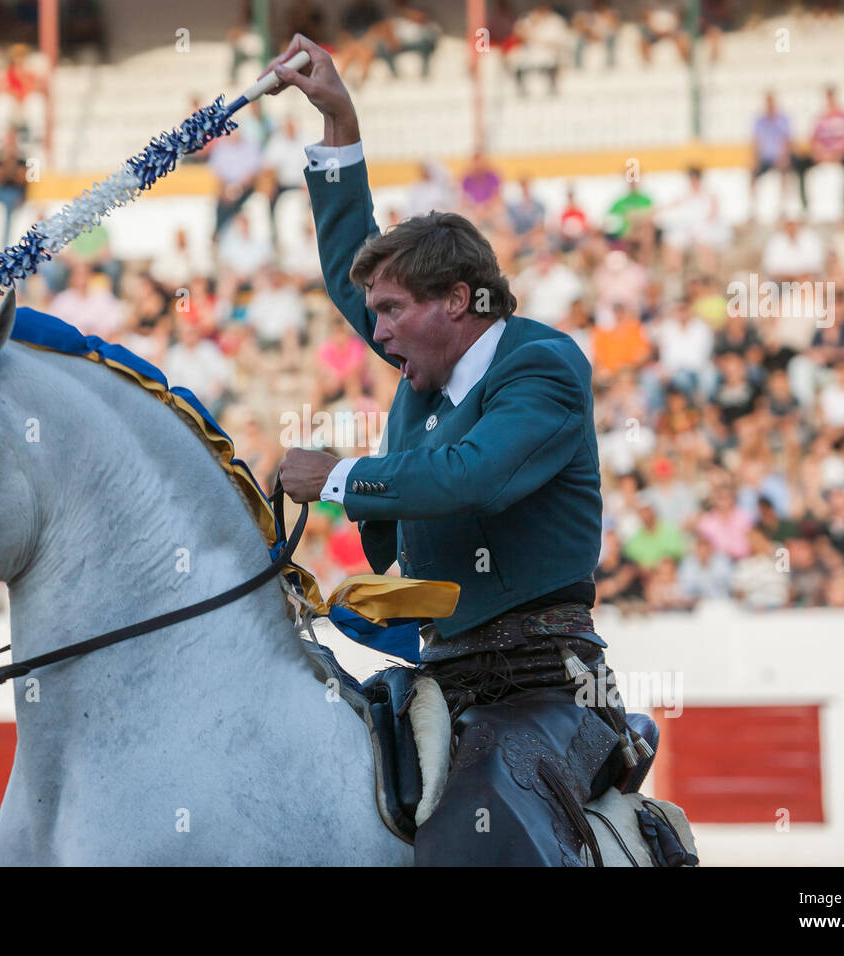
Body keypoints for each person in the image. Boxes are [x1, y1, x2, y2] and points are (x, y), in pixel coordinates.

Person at [264, 34, 638, 867]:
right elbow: (347, 260)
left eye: (391, 310)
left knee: (478, 833)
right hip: (445, 672)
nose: (377, 329)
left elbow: (472, 480)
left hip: (549, 679)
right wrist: (336, 118)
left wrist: (337, 478)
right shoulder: (426, 358)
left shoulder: (541, 363)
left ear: (462, 301)